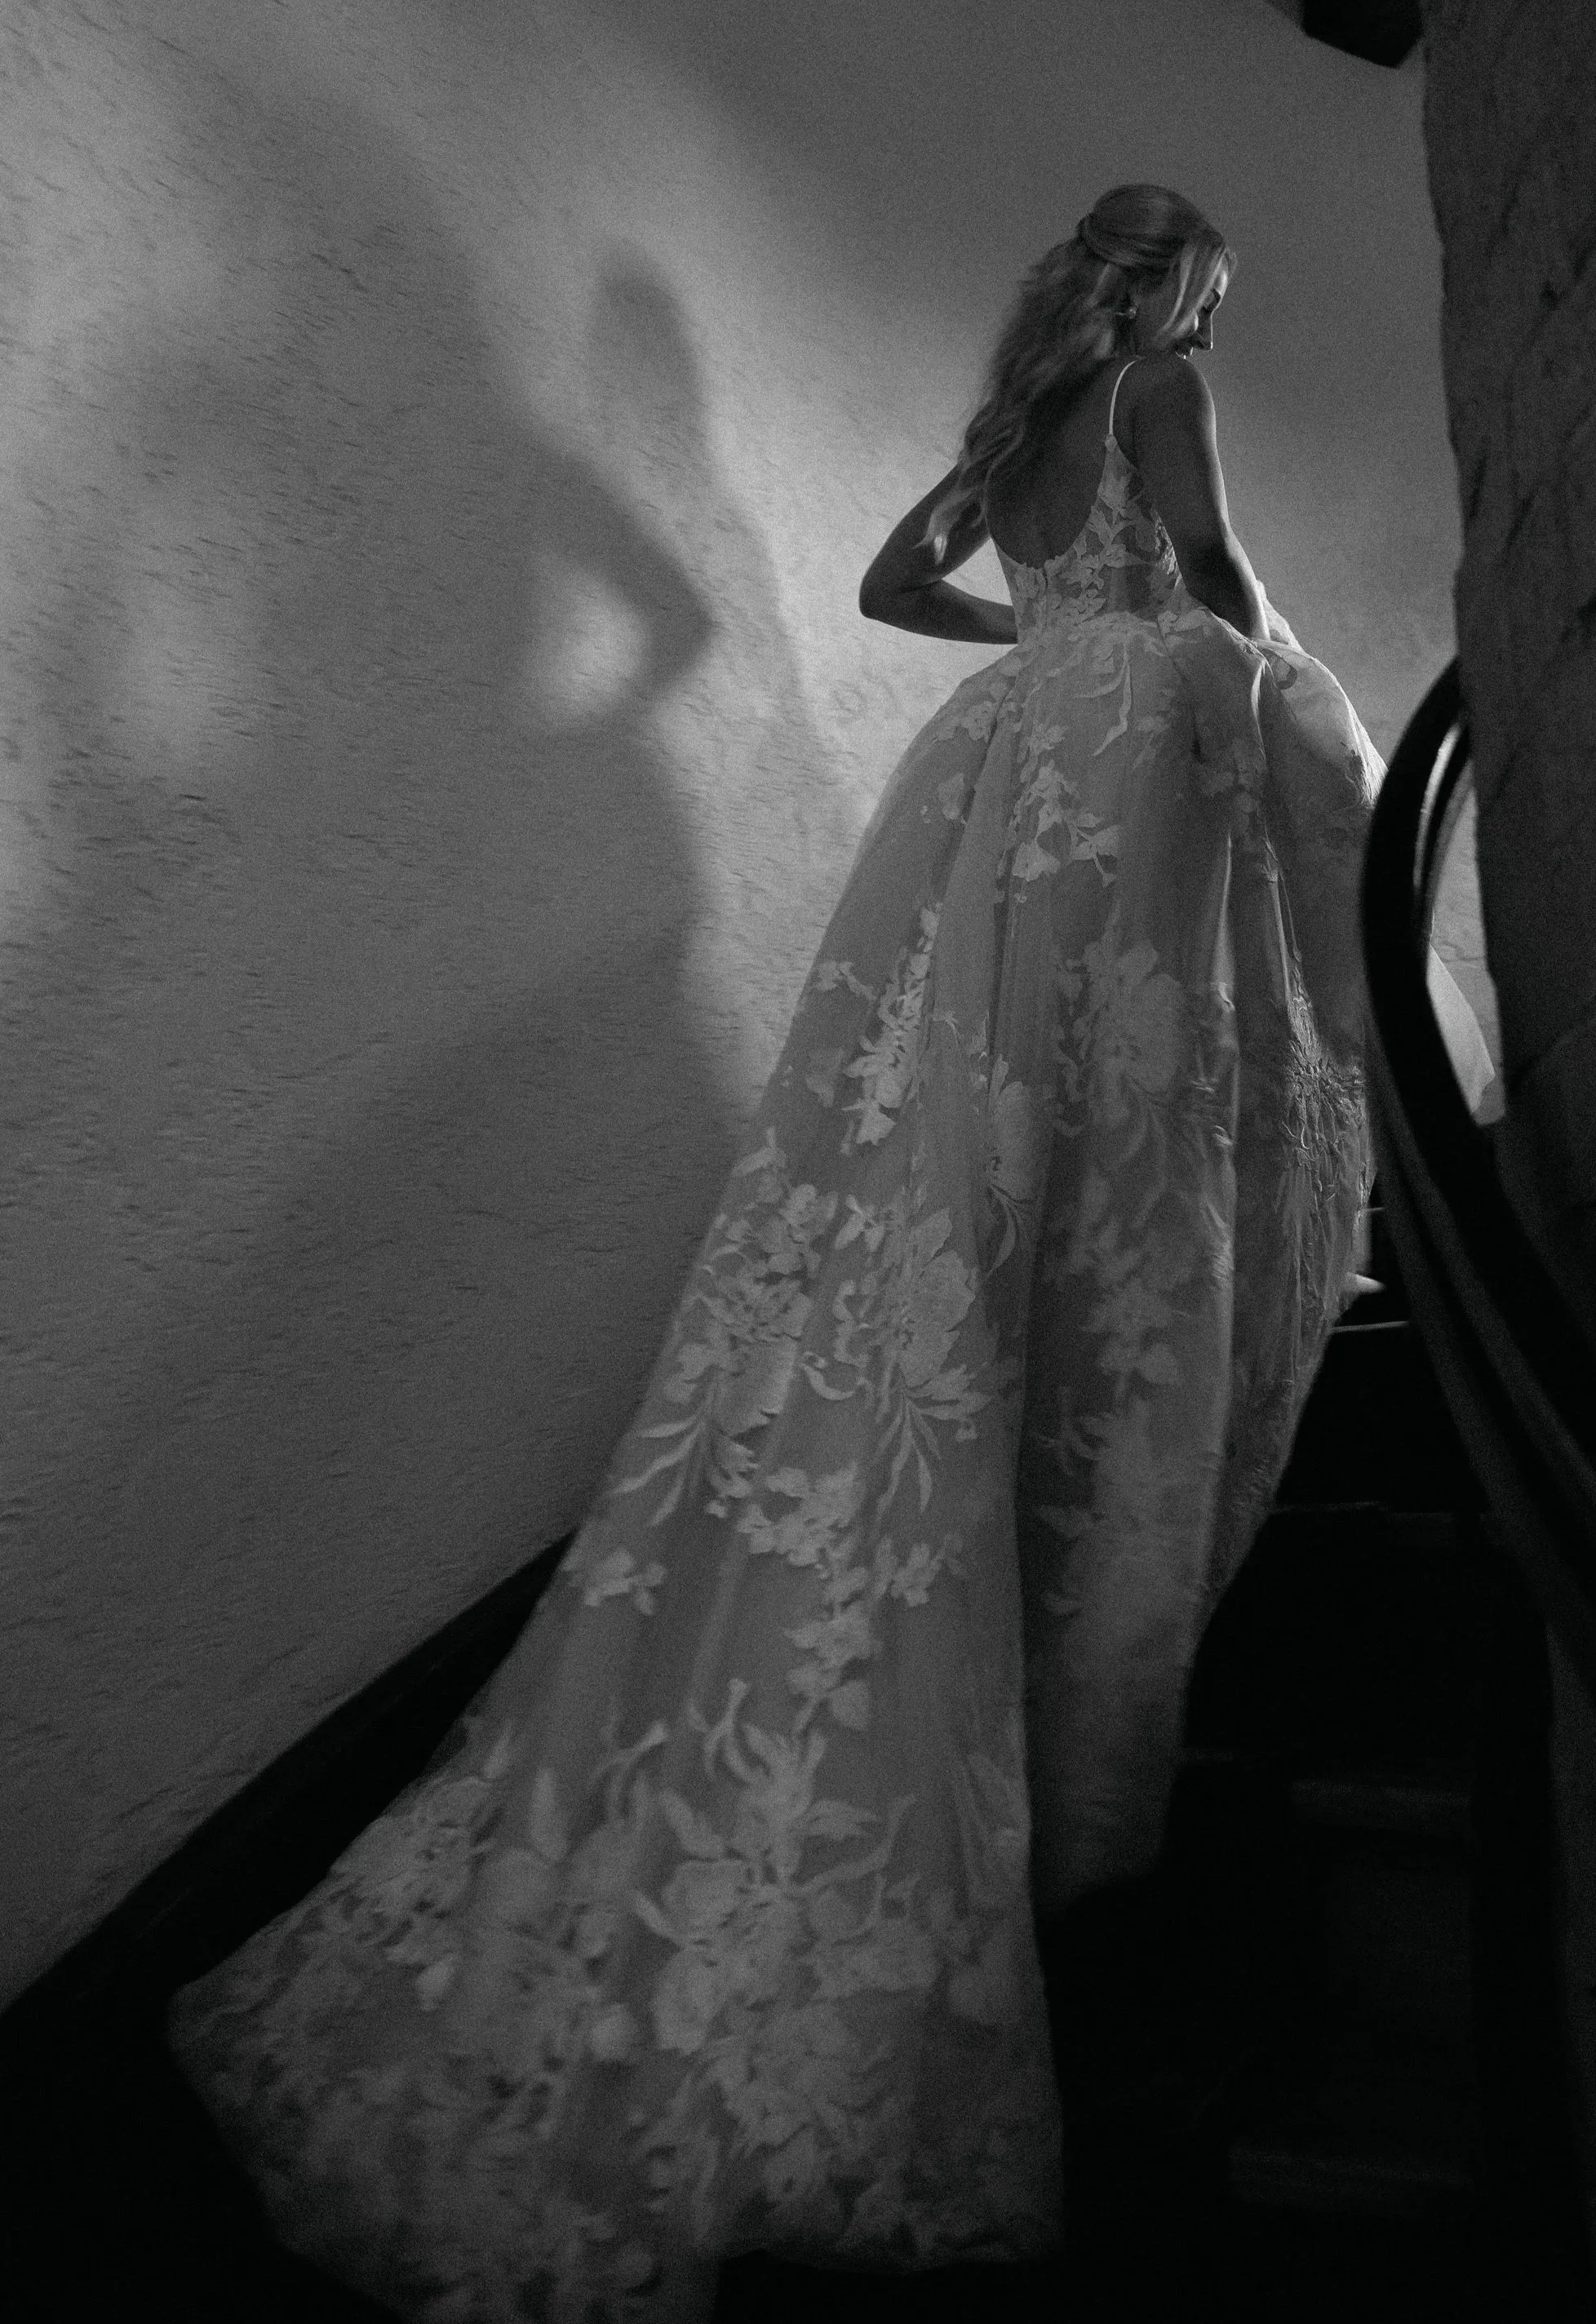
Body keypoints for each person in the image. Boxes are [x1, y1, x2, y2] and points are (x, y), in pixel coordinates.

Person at [166, 184, 1494, 2320]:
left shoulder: (1013, 421)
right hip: (1127, 729)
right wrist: (1239, 679)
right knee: (1139, 1079)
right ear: (1178, 286)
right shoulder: (1161, 381)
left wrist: (1043, 645)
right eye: (1212, 290)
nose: (1206, 318)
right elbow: (1228, 569)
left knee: (980, 1101)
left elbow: (892, 587)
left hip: (1016, 743)